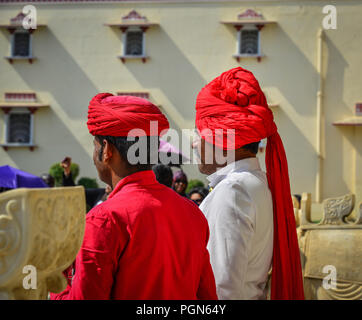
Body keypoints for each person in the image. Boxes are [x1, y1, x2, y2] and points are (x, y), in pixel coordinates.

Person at [50, 93, 217, 300]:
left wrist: (58, 281)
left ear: (107, 150)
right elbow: (208, 297)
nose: (93, 156)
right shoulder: (192, 212)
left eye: (95, 145)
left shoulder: (103, 219)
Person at [192, 67, 304, 300]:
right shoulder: (256, 182)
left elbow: (221, 289)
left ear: (222, 140)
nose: (194, 144)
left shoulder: (233, 191)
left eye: (199, 134)